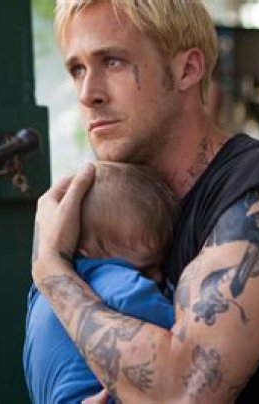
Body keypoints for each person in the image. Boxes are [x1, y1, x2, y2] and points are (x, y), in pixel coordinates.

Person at [30, 1, 259, 403]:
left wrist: (52, 272)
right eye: (77, 69)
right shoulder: (122, 207)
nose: (88, 93)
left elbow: (184, 394)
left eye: (113, 62)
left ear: (187, 69)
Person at [24, 161, 178, 403]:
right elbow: (180, 342)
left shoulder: (40, 293)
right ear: (89, 251)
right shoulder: (116, 282)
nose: (157, 276)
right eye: (145, 268)